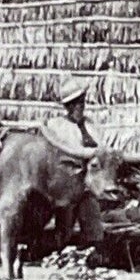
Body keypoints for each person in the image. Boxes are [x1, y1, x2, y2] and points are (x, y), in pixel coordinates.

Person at [41, 76, 104, 248]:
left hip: (88, 181)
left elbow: (99, 149)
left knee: (91, 214)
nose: (79, 107)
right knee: (65, 221)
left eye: (81, 102)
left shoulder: (90, 125)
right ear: (68, 106)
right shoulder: (56, 125)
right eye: (75, 103)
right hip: (64, 182)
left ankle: (93, 250)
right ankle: (60, 249)